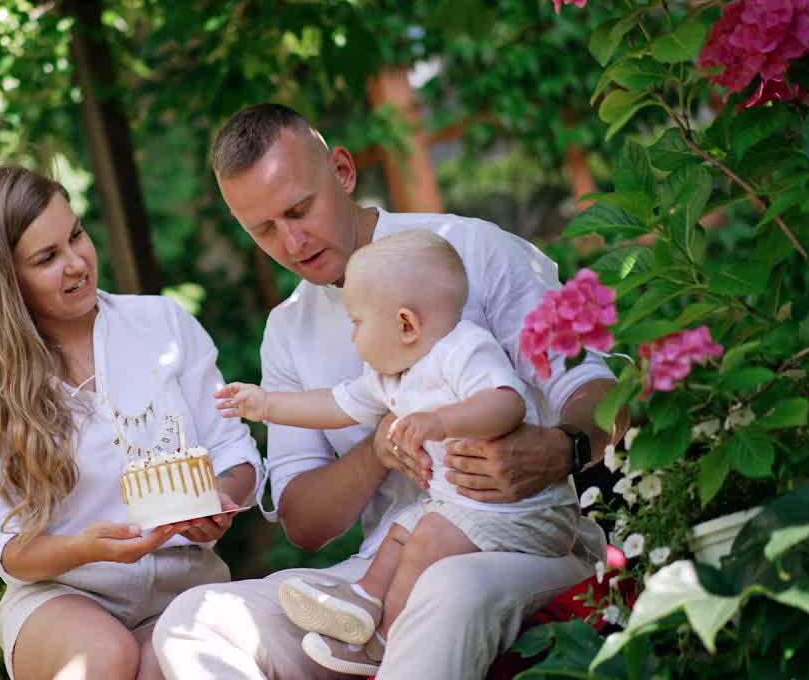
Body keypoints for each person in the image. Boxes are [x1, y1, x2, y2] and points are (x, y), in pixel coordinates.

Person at [153, 103, 628, 679]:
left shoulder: (470, 250)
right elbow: (304, 523)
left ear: (344, 172)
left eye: (299, 209)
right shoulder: (287, 329)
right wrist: (377, 449)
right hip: (384, 565)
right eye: (264, 230)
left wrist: (564, 447)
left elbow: (595, 389)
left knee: (449, 585)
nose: (293, 241)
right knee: (194, 617)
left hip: (522, 543)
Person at [214, 229, 579, 674]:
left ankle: (383, 644)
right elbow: (333, 403)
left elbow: (506, 402)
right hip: (461, 509)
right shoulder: (390, 375)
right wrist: (267, 404)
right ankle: (364, 601)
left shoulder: (463, 350)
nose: (353, 338)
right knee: (401, 532)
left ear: (405, 324)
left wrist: (441, 421)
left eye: (357, 323)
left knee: (424, 538)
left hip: (524, 517)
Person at [0, 166, 264, 680]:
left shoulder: (164, 324)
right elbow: (7, 548)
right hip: (63, 596)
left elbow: (235, 454)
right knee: (106, 657)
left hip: (186, 585)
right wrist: (85, 549)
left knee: (168, 658)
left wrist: (221, 499)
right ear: (8, 280)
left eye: (76, 234)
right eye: (47, 258)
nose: (77, 263)